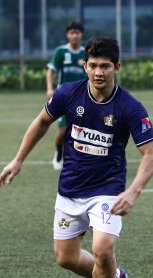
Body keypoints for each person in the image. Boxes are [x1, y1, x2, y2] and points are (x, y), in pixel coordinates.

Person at [0, 37, 153, 278]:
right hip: (70, 188)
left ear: (117, 67)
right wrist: (18, 160)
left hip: (108, 188)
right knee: (66, 258)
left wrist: (132, 191)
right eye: (93, 65)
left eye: (105, 66)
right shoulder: (68, 94)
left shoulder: (130, 107)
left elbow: (151, 154)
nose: (98, 72)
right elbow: (42, 122)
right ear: (84, 66)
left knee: (103, 249)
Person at [46, 21, 88, 170]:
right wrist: (50, 88)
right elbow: (50, 70)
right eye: (72, 33)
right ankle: (59, 151)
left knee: (82, 131)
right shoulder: (61, 52)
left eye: (77, 32)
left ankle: (79, 159)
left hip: (83, 97)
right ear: (67, 35)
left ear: (81, 34)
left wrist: (85, 65)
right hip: (64, 98)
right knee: (62, 131)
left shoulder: (86, 53)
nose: (75, 35)